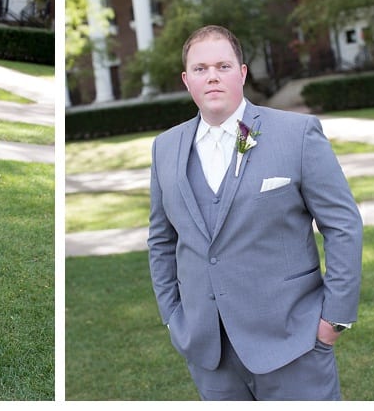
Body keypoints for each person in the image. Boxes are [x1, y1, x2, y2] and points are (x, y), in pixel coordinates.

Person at [147, 25, 362, 400]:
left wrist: (333, 318)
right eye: (200, 69)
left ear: (242, 73)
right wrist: (173, 316)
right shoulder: (165, 148)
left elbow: (342, 225)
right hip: (209, 351)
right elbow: (161, 240)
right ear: (186, 80)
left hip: (293, 342)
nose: (212, 76)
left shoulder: (295, 134)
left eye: (223, 66)